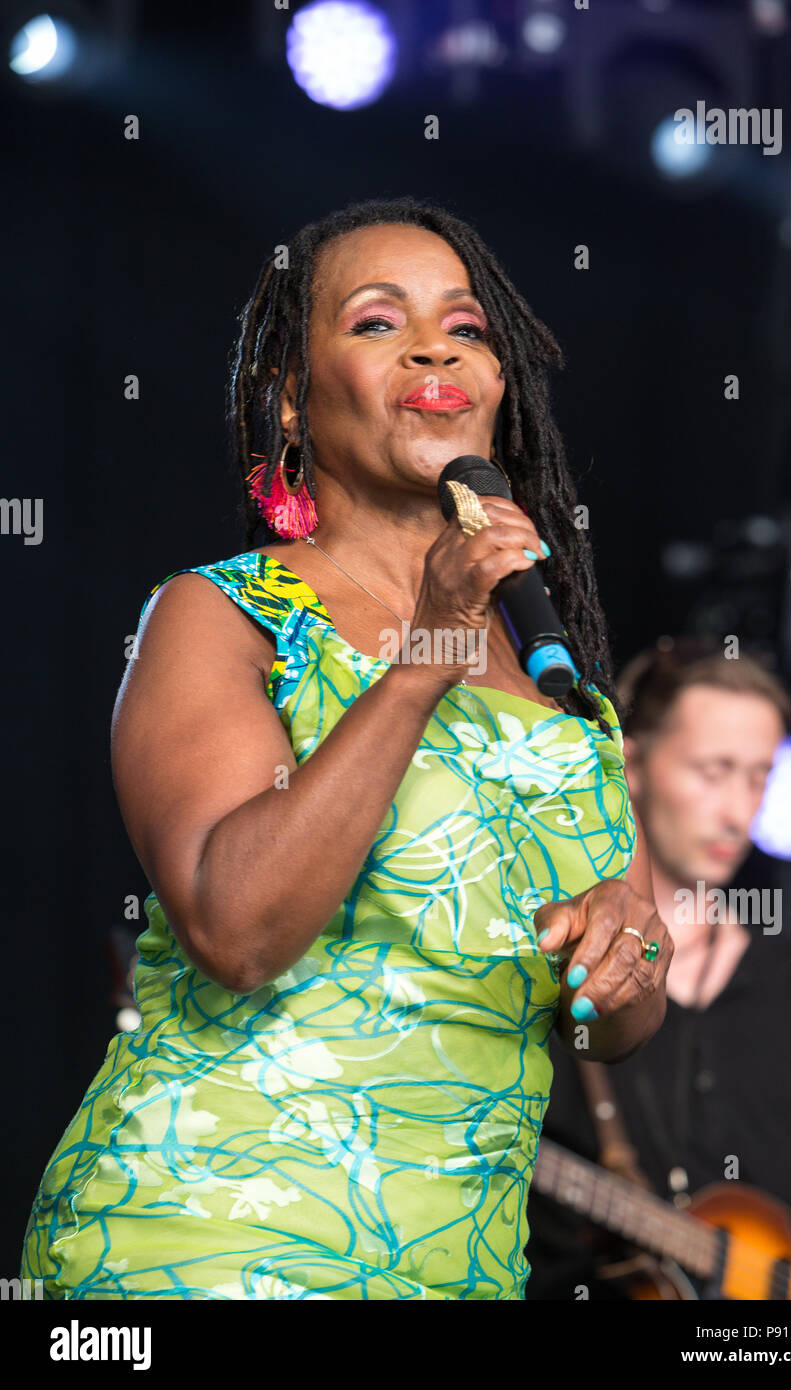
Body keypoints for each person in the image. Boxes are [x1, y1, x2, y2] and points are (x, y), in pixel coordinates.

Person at [20, 196, 671, 1301]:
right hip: (208, 1239)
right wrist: (425, 653)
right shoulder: (222, 615)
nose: (432, 346)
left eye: (463, 328)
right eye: (377, 323)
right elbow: (235, 925)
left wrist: (625, 950)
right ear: (288, 398)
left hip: (453, 1266)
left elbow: (621, 1024)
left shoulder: (565, 691)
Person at [525, 637, 791, 1300]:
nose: (739, 811)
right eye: (714, 771)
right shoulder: (551, 956)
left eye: (759, 776)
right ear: (631, 765)